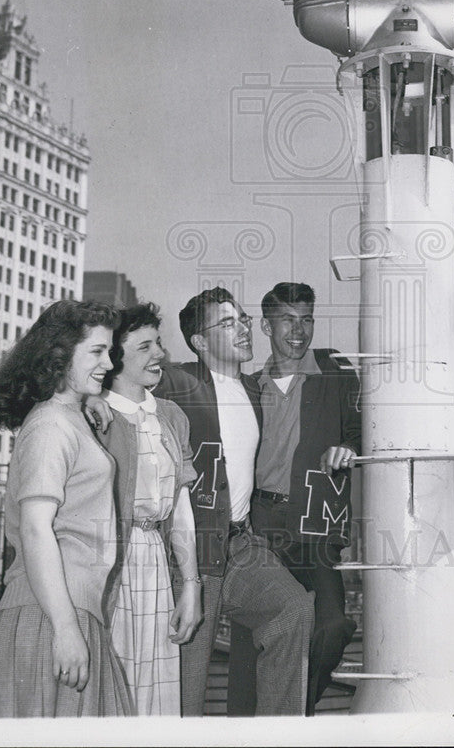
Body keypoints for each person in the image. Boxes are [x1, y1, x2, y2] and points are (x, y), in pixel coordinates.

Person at [154, 286, 315, 716]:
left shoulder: (253, 388)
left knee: (293, 609)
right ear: (200, 342)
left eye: (243, 318)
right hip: (194, 547)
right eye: (228, 323)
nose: (243, 328)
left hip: (241, 543)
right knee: (189, 676)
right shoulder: (180, 382)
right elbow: (126, 374)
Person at [0, 300, 132, 718]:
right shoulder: (50, 424)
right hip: (49, 614)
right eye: (97, 351)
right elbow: (35, 530)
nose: (109, 362)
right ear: (60, 356)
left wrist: (88, 401)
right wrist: (65, 629)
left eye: (111, 351)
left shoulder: (67, 416)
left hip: (65, 609)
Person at [227, 281, 361, 715]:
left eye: (306, 319)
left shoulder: (335, 370)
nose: (298, 330)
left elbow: (363, 433)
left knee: (333, 625)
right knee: (260, 635)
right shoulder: (247, 387)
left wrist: (349, 449)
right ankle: (253, 730)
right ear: (266, 325)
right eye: (287, 320)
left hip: (316, 521)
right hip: (260, 525)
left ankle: (290, 711)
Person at [95, 302, 202, 715]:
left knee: (155, 696)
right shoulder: (92, 415)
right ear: (114, 358)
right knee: (113, 689)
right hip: (108, 566)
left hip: (154, 560)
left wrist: (190, 586)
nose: (159, 353)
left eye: (158, 343)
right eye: (144, 347)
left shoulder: (172, 415)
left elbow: (181, 510)